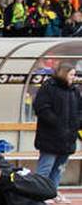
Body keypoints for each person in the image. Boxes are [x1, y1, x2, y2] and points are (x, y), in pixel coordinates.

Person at [30, 62, 81, 193]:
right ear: (63, 74)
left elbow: (80, 110)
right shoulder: (49, 87)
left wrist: (76, 123)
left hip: (68, 138)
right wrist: (57, 122)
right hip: (50, 137)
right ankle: (38, 193)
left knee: (59, 168)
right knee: (45, 168)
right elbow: (41, 107)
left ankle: (52, 192)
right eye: (71, 74)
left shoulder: (74, 90)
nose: (73, 78)